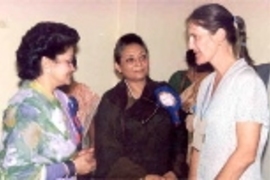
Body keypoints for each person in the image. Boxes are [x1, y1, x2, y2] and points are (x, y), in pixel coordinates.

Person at [0, 22, 96, 179]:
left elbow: (50, 155)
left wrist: (76, 157)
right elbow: (17, 174)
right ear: (47, 64)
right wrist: (73, 167)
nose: (73, 68)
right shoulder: (26, 109)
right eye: (68, 61)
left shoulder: (60, 98)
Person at [186, 3, 269, 180]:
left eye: (195, 37)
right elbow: (198, 145)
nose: (190, 46)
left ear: (220, 35)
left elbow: (246, 153)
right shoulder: (207, 84)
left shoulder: (247, 82)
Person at [94, 33, 188, 180]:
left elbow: (180, 133)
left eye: (143, 57)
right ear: (118, 66)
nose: (139, 63)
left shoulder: (164, 91)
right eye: (130, 60)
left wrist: (175, 172)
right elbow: (107, 151)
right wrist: (142, 177)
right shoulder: (111, 100)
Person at [168, 49, 213, 163]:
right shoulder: (178, 79)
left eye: (202, 73)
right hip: (178, 147)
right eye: (194, 71)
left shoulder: (215, 82)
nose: (196, 77)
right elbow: (166, 115)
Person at [60, 57, 100, 149]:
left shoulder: (84, 93)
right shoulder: (47, 94)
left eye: (70, 63)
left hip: (82, 155)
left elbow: (94, 137)